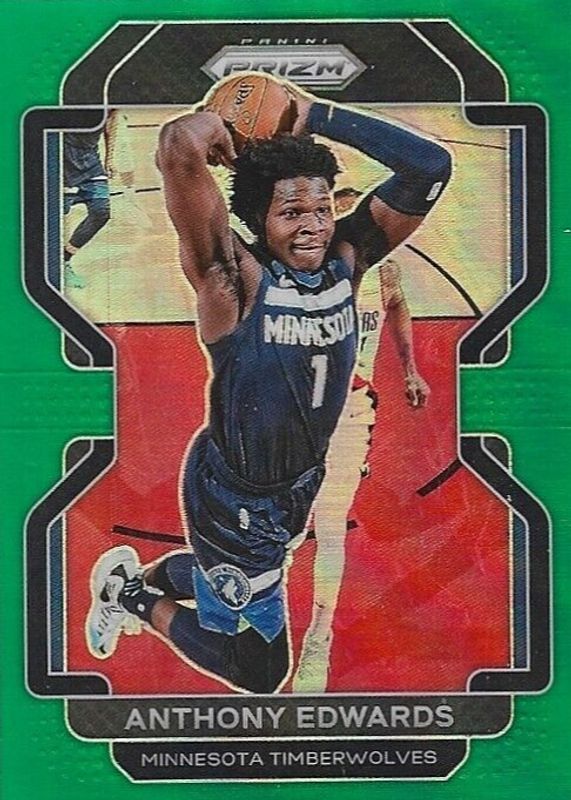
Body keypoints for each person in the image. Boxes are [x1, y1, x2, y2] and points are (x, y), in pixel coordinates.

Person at [86, 81, 451, 693]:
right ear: (258, 219)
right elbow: (178, 144)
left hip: (295, 483)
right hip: (238, 499)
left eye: (322, 209)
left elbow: (430, 167)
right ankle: (129, 598)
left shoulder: (348, 258)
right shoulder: (233, 279)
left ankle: (147, 578)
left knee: (241, 579)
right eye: (291, 213)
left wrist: (312, 114)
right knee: (260, 670)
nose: (313, 226)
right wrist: (215, 125)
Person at [293, 187, 430, 693]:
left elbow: (397, 305)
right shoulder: (309, 273)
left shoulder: (385, 273)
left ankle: (319, 637)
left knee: (331, 525)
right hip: (296, 412)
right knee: (282, 530)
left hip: (351, 409)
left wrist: (410, 367)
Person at [63, 110, 118, 288]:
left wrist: (109, 159)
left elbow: (111, 120)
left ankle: (64, 260)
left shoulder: (110, 101)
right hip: (64, 158)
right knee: (54, 216)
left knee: (101, 211)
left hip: (91, 161)